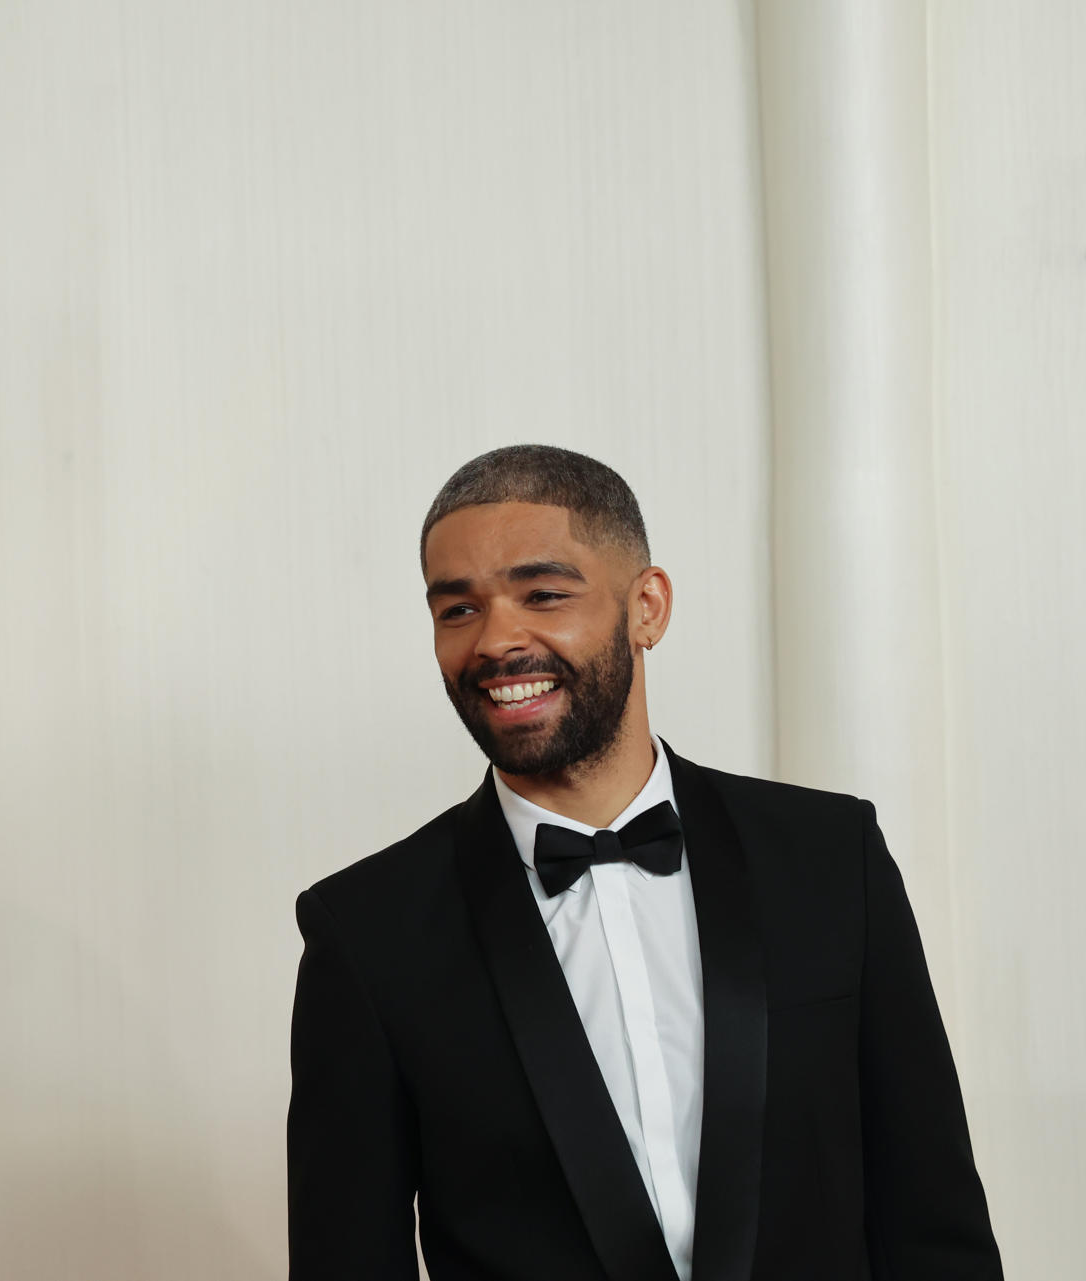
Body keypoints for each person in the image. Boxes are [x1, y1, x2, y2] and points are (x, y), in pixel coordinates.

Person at [286, 445, 1000, 1281]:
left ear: (647, 607)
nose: (496, 640)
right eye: (458, 610)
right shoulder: (367, 931)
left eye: (543, 594)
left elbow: (934, 1226)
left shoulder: (832, 857)